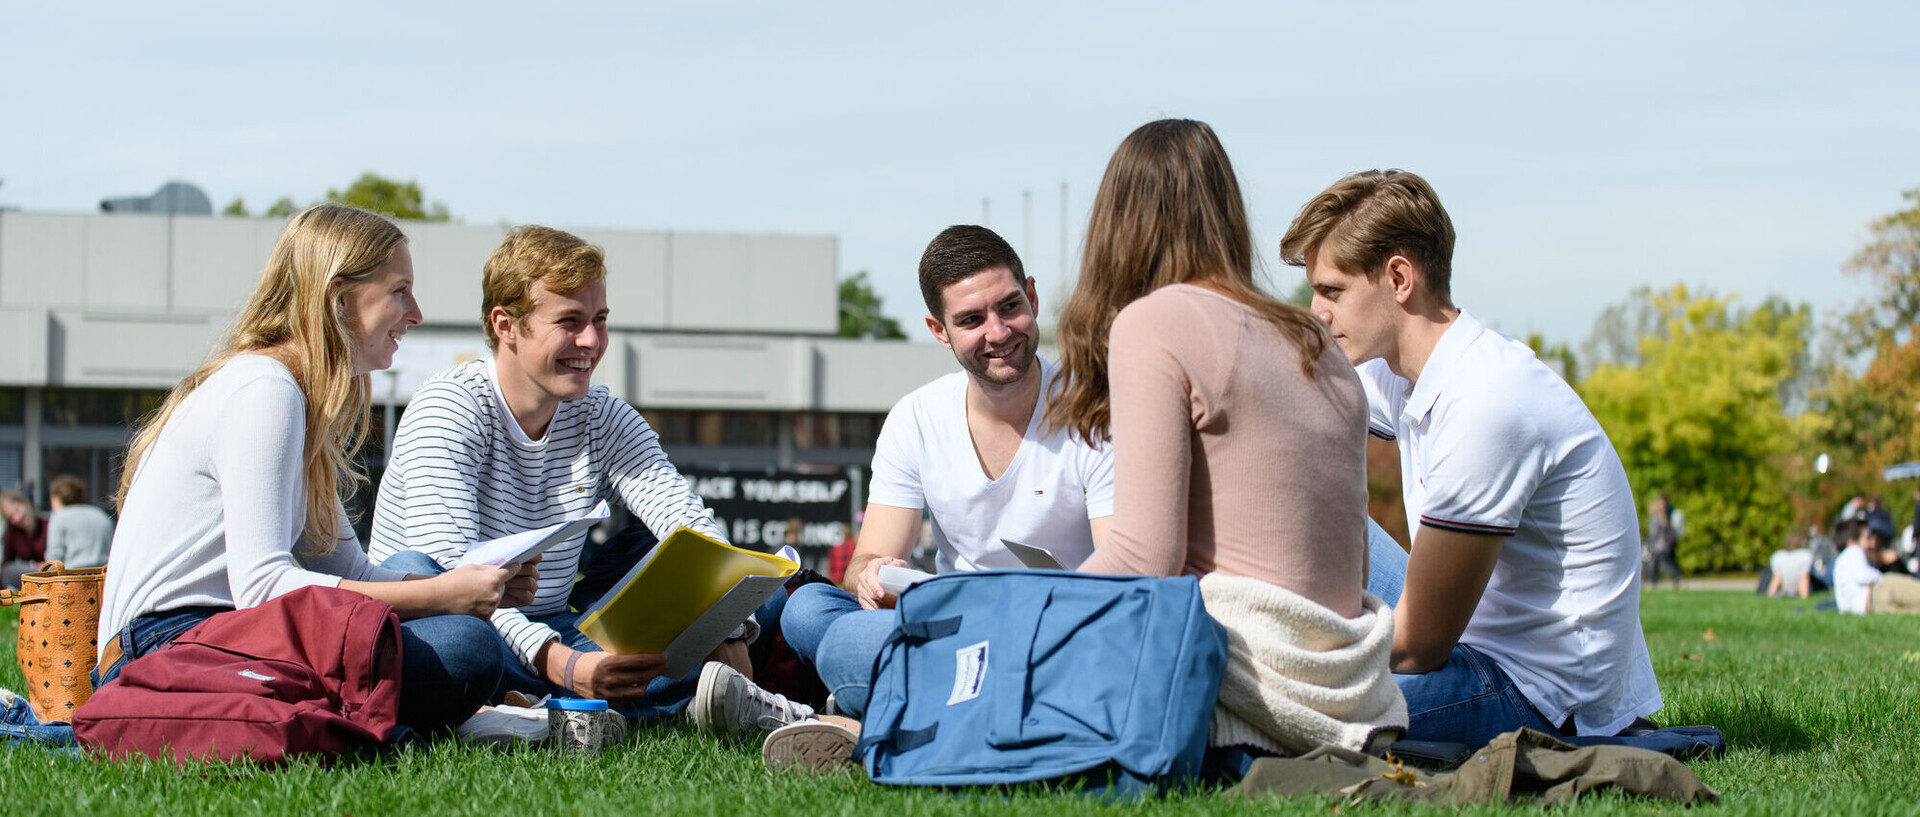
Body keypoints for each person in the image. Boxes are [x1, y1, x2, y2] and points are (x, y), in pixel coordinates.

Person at [96, 203, 537, 736]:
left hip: (213, 638)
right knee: (464, 647)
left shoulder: (293, 397)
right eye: (400, 291)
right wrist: (445, 597)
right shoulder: (266, 390)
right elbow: (263, 587)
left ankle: (388, 724)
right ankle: (400, 722)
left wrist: (468, 586)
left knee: (429, 586)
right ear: (340, 300)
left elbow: (353, 573)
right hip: (169, 649)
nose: (415, 313)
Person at [367, 225, 811, 739]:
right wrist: (562, 662)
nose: (592, 342)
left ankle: (540, 710)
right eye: (569, 322)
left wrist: (724, 621)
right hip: (457, 628)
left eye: (600, 320)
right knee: (467, 649)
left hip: (558, 626)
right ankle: (615, 701)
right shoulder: (450, 408)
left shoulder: (600, 414)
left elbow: (685, 519)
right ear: (505, 325)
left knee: (760, 596)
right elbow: (449, 584)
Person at [1281, 169, 1661, 749]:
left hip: (1541, 695)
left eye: (1332, 291)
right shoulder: (1406, 370)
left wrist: (1288, 661)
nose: (1317, 312)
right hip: (1478, 642)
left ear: (1399, 278)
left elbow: (1418, 646)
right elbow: (1287, 402)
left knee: (1275, 701)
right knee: (1287, 502)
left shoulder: (1488, 405)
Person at [762, 224, 1119, 769]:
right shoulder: (918, 417)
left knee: (844, 648)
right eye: (972, 320)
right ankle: (921, 709)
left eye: (1009, 307)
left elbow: (1124, 578)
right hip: (953, 626)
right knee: (808, 611)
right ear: (939, 329)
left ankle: (868, 717)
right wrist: (876, 574)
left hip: (1063, 631)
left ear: (1033, 295)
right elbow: (862, 564)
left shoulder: (1093, 407)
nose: (998, 332)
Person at [1833, 506, 1920, 614]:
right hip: (1880, 590)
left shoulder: (1839, 562)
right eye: (1867, 538)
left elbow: (1842, 605)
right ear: (1852, 541)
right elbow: (1863, 575)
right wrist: (1881, 577)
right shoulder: (1854, 550)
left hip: (1873, 607)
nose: (1871, 543)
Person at [45, 475, 112, 570]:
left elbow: (55, 555)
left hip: (74, 575)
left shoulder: (59, 517)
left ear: (56, 498)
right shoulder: (100, 514)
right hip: (104, 573)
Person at [1, 490, 45, 589]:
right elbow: (7, 563)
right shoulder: (12, 532)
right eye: (11, 517)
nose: (18, 517)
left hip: (50, 570)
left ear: (25, 503)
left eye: (17, 510)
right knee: (9, 569)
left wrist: (44, 565)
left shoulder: (48, 524)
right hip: (29, 573)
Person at [1644, 493, 1683, 589]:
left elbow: (1664, 526)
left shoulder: (1666, 512)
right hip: (1656, 544)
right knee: (1655, 562)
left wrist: (1661, 512)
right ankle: (1653, 582)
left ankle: (1678, 580)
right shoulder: (1654, 516)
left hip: (1662, 544)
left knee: (1667, 562)